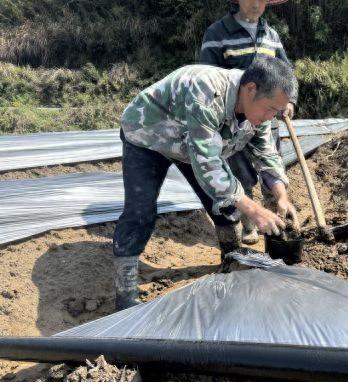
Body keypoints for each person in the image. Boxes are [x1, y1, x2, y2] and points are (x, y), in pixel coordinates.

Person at [112, 56, 299, 310]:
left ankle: (230, 259)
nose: (271, 117)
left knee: (225, 201)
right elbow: (208, 164)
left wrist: (281, 197)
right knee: (140, 211)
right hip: (148, 135)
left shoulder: (261, 112)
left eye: (276, 112)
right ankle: (125, 290)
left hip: (192, 144)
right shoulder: (207, 92)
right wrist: (254, 210)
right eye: (269, 109)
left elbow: (266, 154)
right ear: (251, 89)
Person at [200, 0, 296, 244]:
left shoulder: (271, 35)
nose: (256, 4)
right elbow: (208, 77)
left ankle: (278, 221)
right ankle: (248, 223)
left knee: (270, 162)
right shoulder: (217, 33)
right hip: (231, 119)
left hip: (265, 115)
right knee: (239, 172)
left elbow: (286, 72)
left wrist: (288, 102)